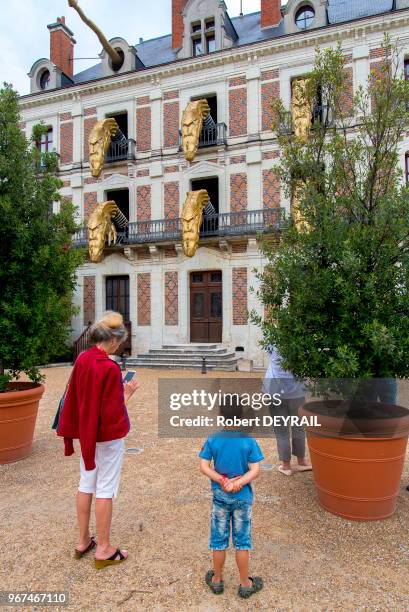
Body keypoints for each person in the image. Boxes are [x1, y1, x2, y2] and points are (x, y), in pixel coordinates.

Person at [57, 311, 139, 569]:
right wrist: (127, 394)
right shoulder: (110, 368)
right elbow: (113, 414)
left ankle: (83, 540)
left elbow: (77, 398)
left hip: (87, 435)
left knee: (86, 482)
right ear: (114, 341)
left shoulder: (83, 358)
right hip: (106, 438)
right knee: (105, 488)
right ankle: (103, 548)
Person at [199, 398, 264, 599]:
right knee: (242, 542)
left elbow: (203, 466)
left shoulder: (213, 439)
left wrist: (222, 480)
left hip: (220, 496)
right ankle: (245, 583)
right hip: (242, 498)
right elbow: (255, 469)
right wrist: (239, 483)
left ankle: (217, 580)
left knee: (218, 540)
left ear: (221, 415)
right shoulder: (249, 440)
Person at [263, 345, 311, 476]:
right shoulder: (300, 342)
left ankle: (286, 465)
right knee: (298, 427)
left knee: (281, 430)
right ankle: (301, 461)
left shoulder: (272, 341)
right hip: (297, 392)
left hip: (275, 391)